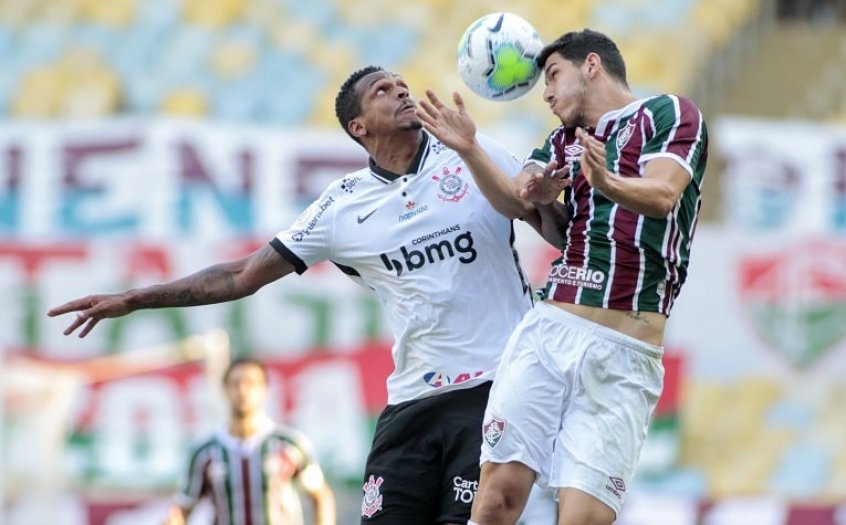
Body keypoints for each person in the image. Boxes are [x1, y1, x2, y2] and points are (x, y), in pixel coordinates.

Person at [47, 66, 561, 524]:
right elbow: (241, 275)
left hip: (495, 384)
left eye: (403, 86)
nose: (402, 93)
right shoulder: (342, 206)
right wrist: (135, 298)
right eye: (384, 91)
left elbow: (551, 226)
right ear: (359, 127)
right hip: (412, 398)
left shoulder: (473, 151)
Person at [415, 28, 708, 525]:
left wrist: (606, 181)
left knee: (583, 519)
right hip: (550, 333)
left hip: (626, 354)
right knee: (496, 500)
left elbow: (662, 197)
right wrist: (473, 152)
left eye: (552, 76)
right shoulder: (560, 142)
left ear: (591, 65)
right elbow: (517, 201)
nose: (546, 93)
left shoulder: (669, 114)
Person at [164, 357, 335, 525]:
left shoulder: (289, 445)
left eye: (250, 383)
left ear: (264, 390)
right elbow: (182, 509)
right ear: (225, 390)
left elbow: (321, 496)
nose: (242, 390)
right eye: (235, 383)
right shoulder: (205, 452)